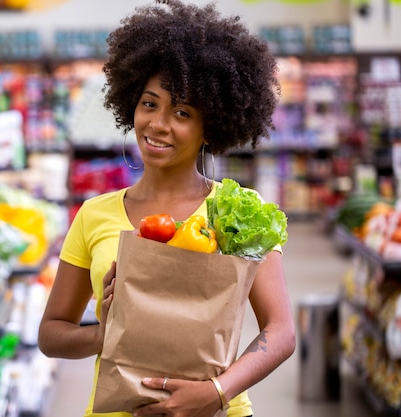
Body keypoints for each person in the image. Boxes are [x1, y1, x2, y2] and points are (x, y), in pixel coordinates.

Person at [37, 1, 296, 416]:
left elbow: (281, 332)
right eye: (149, 103)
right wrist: (104, 334)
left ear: (210, 126)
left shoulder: (238, 212)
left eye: (181, 112)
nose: (158, 124)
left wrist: (217, 390)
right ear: (130, 106)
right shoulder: (94, 214)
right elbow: (51, 335)